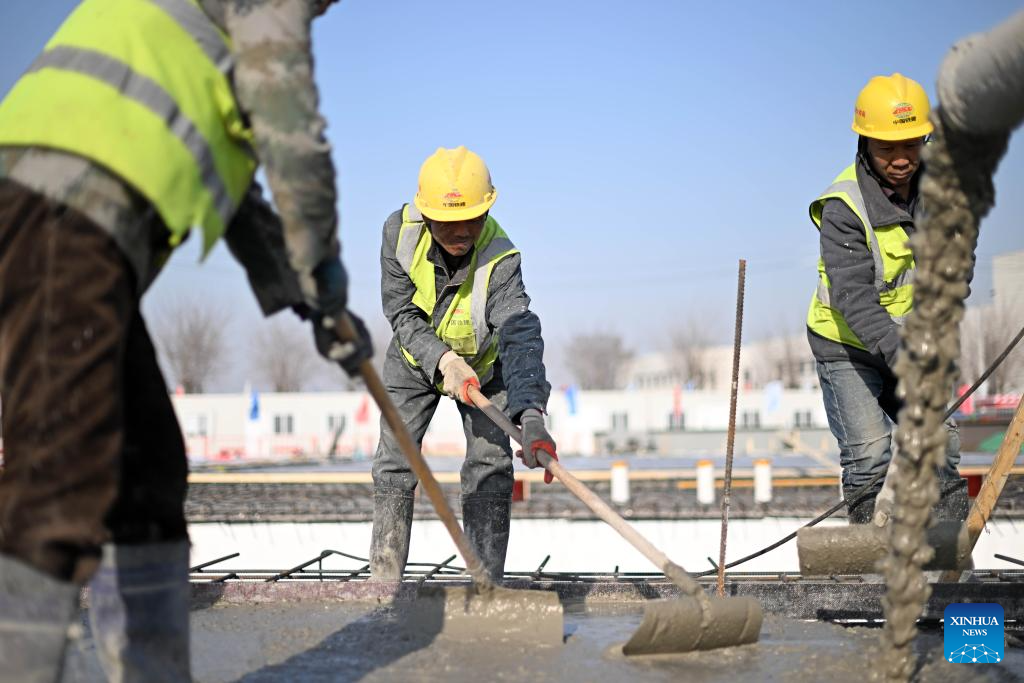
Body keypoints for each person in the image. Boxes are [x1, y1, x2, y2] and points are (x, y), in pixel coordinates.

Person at [0, 1, 371, 680]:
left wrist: (309, 296)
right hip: (60, 206)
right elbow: (291, 128)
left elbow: (244, 203)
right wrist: (321, 264)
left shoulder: (203, 30)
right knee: (57, 476)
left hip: (63, 214)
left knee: (149, 473)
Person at [370, 146, 554, 582]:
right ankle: (384, 586)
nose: (461, 230)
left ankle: (486, 587)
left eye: (471, 218)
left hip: (485, 367)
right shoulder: (398, 234)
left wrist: (530, 414)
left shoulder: (502, 257)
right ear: (426, 212)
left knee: (490, 467)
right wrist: (443, 360)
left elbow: (519, 334)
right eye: (449, 221)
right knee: (395, 462)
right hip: (415, 362)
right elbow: (401, 312)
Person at [805, 73, 968, 524]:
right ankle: (866, 566)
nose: (901, 160)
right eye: (886, 149)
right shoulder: (844, 207)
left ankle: (949, 552)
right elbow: (853, 297)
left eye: (911, 146)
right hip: (846, 344)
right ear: (865, 146)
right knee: (870, 454)